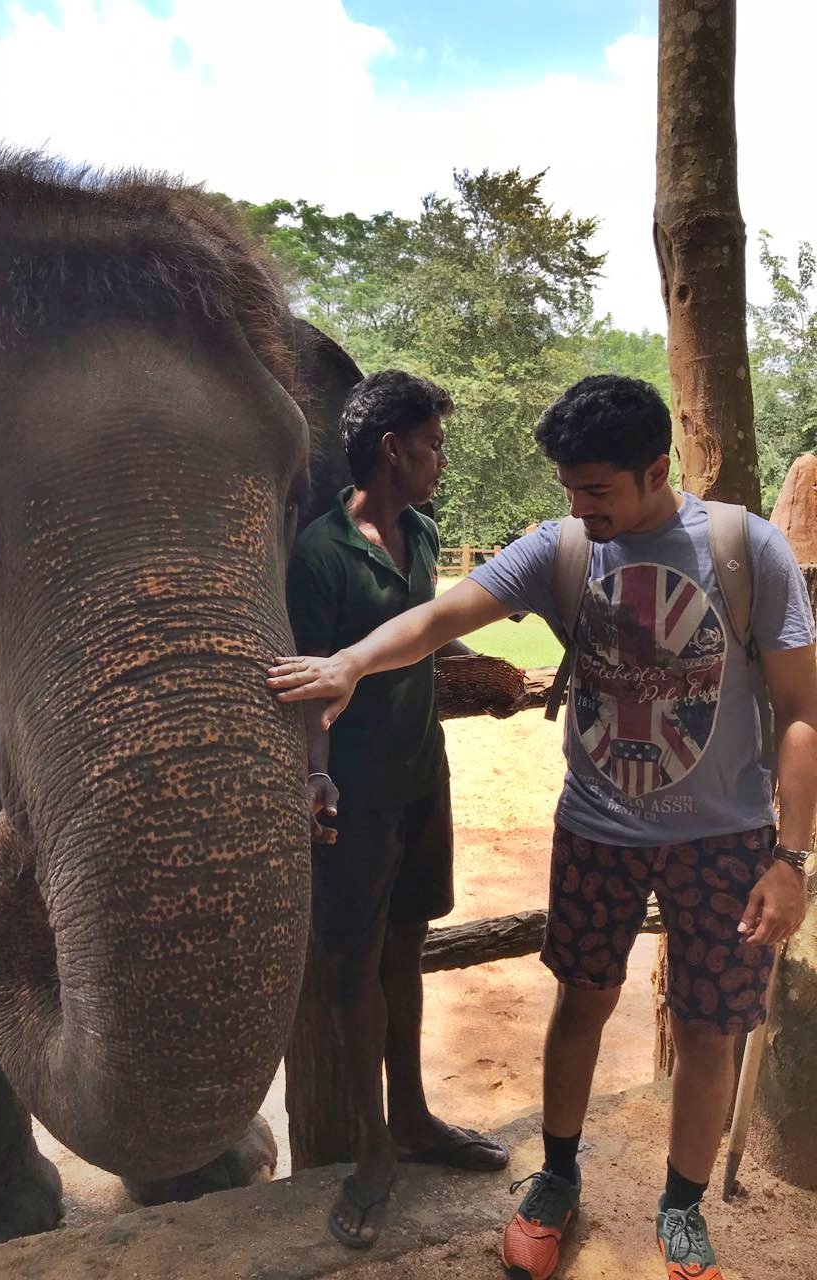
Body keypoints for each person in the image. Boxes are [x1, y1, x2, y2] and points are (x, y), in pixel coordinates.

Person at [270, 374, 817, 1280]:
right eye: (570, 490)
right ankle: (558, 1177)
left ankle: (679, 1206)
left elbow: (801, 712)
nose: (581, 509)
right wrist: (354, 662)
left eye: (598, 490)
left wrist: (792, 858)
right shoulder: (562, 548)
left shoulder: (741, 549)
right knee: (581, 1001)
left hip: (724, 838)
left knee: (711, 1028)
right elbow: (444, 613)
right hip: (596, 828)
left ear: (655, 469)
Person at [287, 369, 510, 1250]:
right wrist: (314, 777)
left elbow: (417, 628)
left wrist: (467, 668)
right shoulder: (321, 555)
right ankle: (370, 1151)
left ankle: (414, 1118)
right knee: (353, 966)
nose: (442, 462)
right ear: (391, 450)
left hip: (423, 776)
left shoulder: (417, 531)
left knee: (408, 946)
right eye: (433, 445)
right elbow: (312, 678)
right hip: (357, 795)